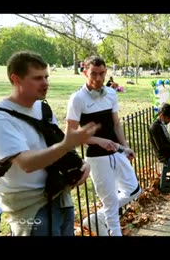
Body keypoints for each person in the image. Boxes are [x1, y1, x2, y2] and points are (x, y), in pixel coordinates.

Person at [0, 50, 98, 236]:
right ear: (16, 79)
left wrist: (80, 164)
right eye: (37, 78)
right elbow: (27, 163)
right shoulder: (1, 119)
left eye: (46, 77)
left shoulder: (42, 108)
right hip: (30, 208)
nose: (45, 83)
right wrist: (67, 144)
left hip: (60, 197)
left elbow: (54, 148)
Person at [66, 56, 141, 236]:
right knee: (110, 202)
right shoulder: (77, 98)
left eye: (102, 73)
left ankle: (96, 218)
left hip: (116, 152)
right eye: (94, 73)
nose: (98, 78)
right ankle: (113, 232)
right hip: (96, 157)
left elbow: (116, 124)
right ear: (85, 72)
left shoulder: (111, 93)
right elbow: (71, 135)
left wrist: (125, 147)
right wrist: (99, 141)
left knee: (134, 189)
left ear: (106, 72)